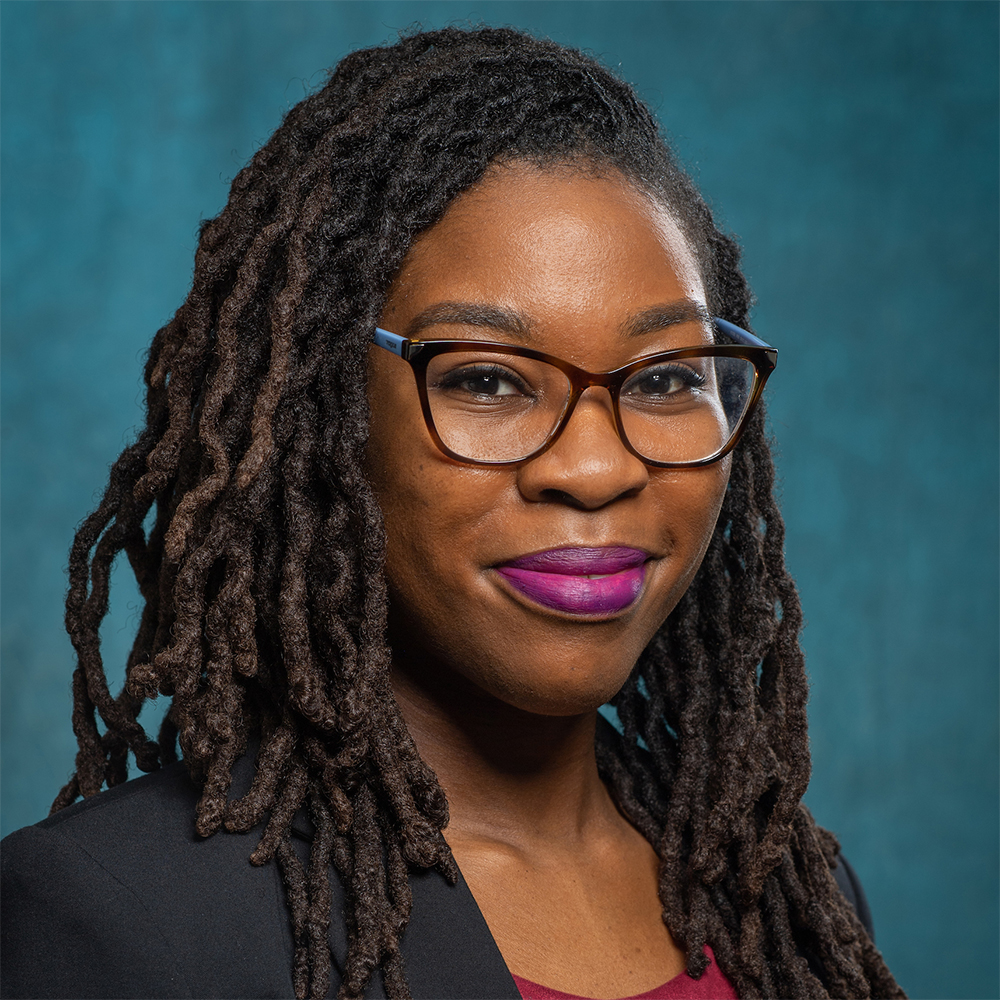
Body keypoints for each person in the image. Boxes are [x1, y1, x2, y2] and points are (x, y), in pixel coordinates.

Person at [0, 26, 904, 1000]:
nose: (595, 467)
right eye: (486, 379)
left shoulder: (793, 896)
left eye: (667, 377)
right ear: (323, 412)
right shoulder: (121, 923)